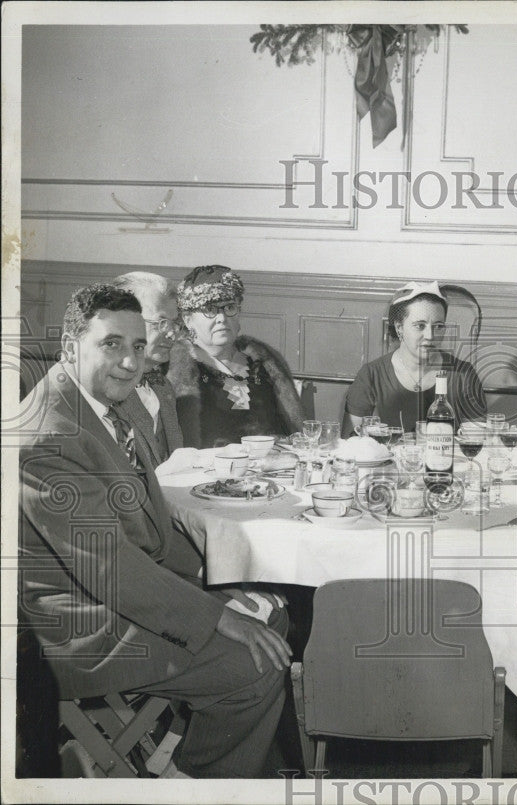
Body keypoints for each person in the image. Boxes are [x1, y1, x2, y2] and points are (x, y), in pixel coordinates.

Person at [19, 284, 292, 777]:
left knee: (271, 612)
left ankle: (175, 758)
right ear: (70, 346)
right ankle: (191, 782)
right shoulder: (49, 438)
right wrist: (215, 614)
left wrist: (226, 585)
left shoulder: (107, 405)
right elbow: (111, 568)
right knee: (257, 664)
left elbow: (151, 527)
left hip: (120, 591)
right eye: (112, 344)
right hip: (79, 624)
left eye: (138, 346)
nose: (130, 361)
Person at [168, 265, 304, 448]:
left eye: (229, 307)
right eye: (210, 310)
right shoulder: (175, 370)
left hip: (272, 468)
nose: (222, 318)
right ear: (187, 318)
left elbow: (297, 431)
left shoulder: (265, 363)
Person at [343, 281, 486, 433]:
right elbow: (350, 442)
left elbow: (479, 440)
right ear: (399, 328)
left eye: (438, 326)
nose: (430, 336)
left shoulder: (464, 375)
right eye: (420, 326)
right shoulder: (371, 375)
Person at [112, 271, 184, 466]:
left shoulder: (163, 387)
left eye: (174, 324)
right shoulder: (107, 392)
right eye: (161, 323)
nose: (171, 334)